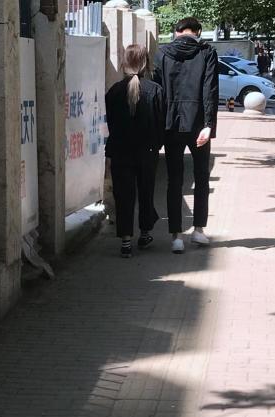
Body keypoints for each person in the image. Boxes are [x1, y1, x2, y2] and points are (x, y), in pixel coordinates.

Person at [153, 16, 218, 254]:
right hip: (198, 122)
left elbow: (158, 92)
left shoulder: (162, 54)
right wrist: (209, 124)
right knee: (201, 177)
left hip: (171, 124)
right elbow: (210, 89)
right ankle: (198, 231)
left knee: (174, 179)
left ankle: (176, 237)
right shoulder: (207, 52)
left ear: (177, 31)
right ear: (198, 31)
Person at [105, 44, 165, 258]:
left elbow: (111, 124)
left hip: (120, 151)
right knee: (146, 192)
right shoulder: (155, 90)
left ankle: (125, 241)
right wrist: (156, 145)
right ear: (145, 64)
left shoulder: (113, 91)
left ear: (124, 63)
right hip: (147, 151)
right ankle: (145, 232)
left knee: (124, 195)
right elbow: (160, 124)